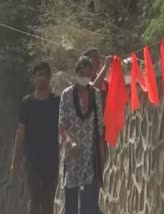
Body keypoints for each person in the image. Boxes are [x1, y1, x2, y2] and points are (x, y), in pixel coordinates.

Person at [11, 61, 60, 214]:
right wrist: (15, 161)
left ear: (49, 78)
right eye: (39, 75)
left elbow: (63, 130)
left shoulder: (57, 102)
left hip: (52, 160)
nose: (42, 78)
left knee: (48, 202)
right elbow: (21, 132)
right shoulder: (27, 103)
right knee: (35, 199)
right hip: (32, 161)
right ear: (33, 78)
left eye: (45, 75)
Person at [59, 56, 105, 214]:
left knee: (89, 204)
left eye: (87, 74)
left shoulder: (96, 95)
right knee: (70, 203)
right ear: (76, 72)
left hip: (90, 156)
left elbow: (99, 129)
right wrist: (69, 141)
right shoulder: (67, 95)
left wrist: (101, 155)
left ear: (91, 74)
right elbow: (62, 125)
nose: (84, 77)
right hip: (72, 154)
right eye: (81, 73)